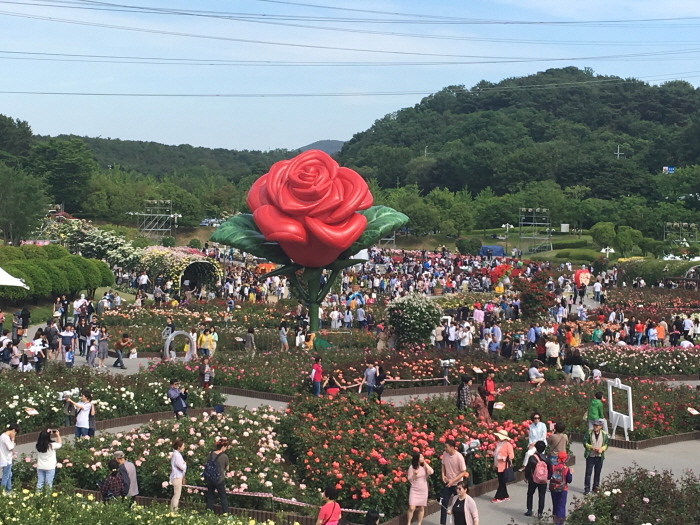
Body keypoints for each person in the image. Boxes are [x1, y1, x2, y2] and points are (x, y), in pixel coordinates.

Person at [439, 439, 468, 525]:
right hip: (448, 483)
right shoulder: (445, 454)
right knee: (444, 502)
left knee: (458, 504)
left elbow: (463, 472)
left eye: (446, 447)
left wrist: (453, 481)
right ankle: (442, 522)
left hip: (457, 484)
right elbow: (443, 465)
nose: (445, 449)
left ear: (452, 447)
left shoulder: (459, 457)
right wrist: (443, 475)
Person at [524, 441, 552, 518]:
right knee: (542, 495)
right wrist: (548, 477)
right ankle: (540, 512)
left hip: (533, 479)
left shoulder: (532, 457)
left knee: (530, 494)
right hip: (543, 480)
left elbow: (528, 469)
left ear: (535, 448)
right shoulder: (546, 458)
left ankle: (529, 510)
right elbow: (550, 469)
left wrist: (526, 477)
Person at [407, 451, 434, 525]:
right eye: (421, 457)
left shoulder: (424, 466)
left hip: (423, 489)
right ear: (417, 459)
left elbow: (431, 471)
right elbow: (410, 479)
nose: (423, 458)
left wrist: (425, 463)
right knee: (412, 507)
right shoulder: (412, 467)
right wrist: (415, 475)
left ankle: (419, 523)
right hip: (415, 489)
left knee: (421, 507)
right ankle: (408, 522)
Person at [583, 419, 609, 495]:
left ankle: (595, 488)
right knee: (588, 473)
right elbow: (584, 442)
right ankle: (587, 488)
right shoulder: (589, 433)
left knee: (597, 473)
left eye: (597, 426)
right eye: (594, 425)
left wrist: (602, 449)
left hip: (599, 456)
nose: (595, 427)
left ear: (600, 426)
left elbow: (607, 444)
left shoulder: (604, 434)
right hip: (590, 456)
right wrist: (591, 447)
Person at [205, 437, 230, 514]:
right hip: (219, 480)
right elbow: (227, 468)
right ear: (223, 447)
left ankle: (209, 512)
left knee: (210, 497)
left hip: (210, 478)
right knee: (223, 497)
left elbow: (206, 464)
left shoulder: (210, 454)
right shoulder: (224, 456)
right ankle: (225, 513)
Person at [549, 451, 574, 525]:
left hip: (553, 488)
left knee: (555, 504)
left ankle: (554, 518)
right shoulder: (566, 469)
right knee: (561, 505)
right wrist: (571, 474)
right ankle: (559, 522)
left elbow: (549, 476)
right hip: (563, 489)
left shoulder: (553, 467)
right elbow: (569, 480)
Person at [492, 429, 514, 503]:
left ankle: (499, 496)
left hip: (504, 466)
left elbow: (511, 456)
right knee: (502, 481)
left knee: (501, 482)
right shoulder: (499, 444)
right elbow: (496, 453)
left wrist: (502, 458)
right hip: (498, 465)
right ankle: (505, 495)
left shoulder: (508, 444)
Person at [170, 438, 187, 511]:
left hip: (177, 477)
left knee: (175, 495)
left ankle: (172, 510)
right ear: (179, 447)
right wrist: (185, 464)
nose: (184, 447)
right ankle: (174, 510)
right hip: (177, 477)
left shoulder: (176, 454)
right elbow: (182, 467)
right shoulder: (177, 455)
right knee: (177, 496)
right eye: (183, 446)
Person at [0, 423, 18, 492]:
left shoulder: (2, 436)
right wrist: (13, 439)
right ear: (13, 430)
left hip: (5, 458)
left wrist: (13, 452)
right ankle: (3, 491)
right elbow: (11, 447)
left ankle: (9, 489)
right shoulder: (6, 438)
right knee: (6, 476)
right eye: (15, 432)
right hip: (6, 459)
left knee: (9, 475)